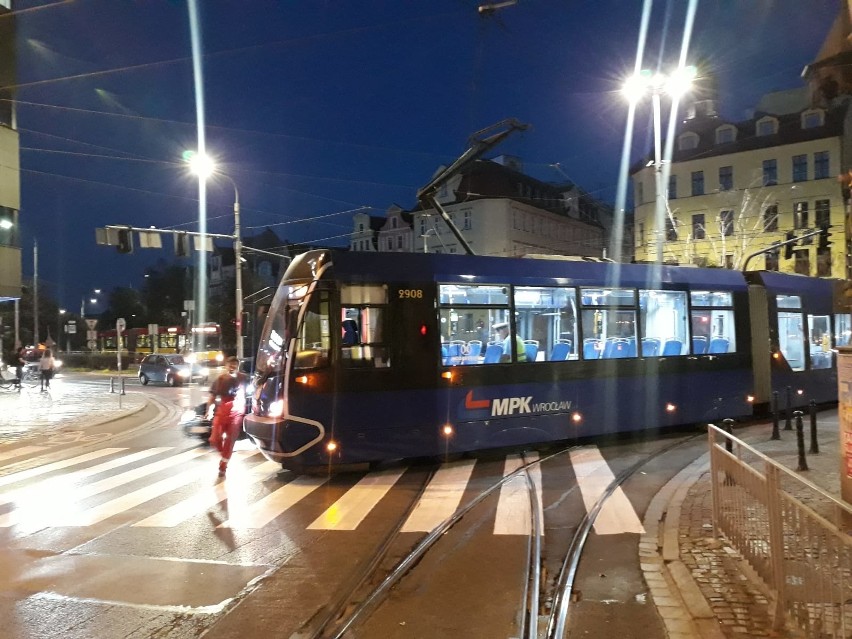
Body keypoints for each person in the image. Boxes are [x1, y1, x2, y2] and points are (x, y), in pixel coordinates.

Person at [206, 356, 248, 476]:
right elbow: (212, 396)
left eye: (235, 365)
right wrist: (209, 410)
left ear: (238, 367)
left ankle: (223, 464)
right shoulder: (220, 379)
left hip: (237, 412)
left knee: (230, 439)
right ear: (226, 366)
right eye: (230, 365)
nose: (232, 367)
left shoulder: (244, 378)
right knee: (214, 439)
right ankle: (224, 455)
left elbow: (255, 389)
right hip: (222, 411)